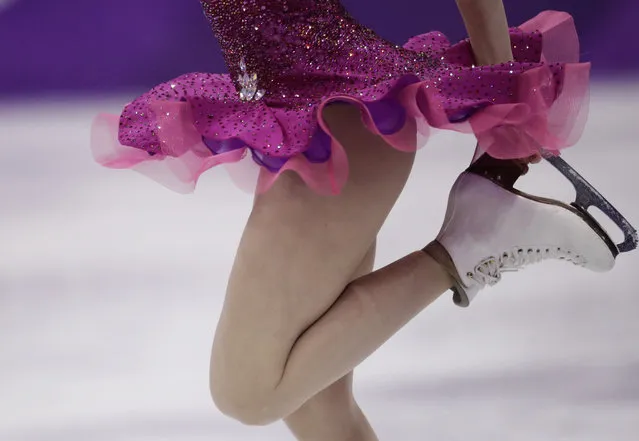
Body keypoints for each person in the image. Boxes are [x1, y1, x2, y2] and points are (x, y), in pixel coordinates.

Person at [91, 1, 637, 439]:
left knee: (248, 392)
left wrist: (508, 95)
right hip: (306, 123)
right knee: (322, 416)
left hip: (344, 120)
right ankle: (475, 236)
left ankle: (472, 244)